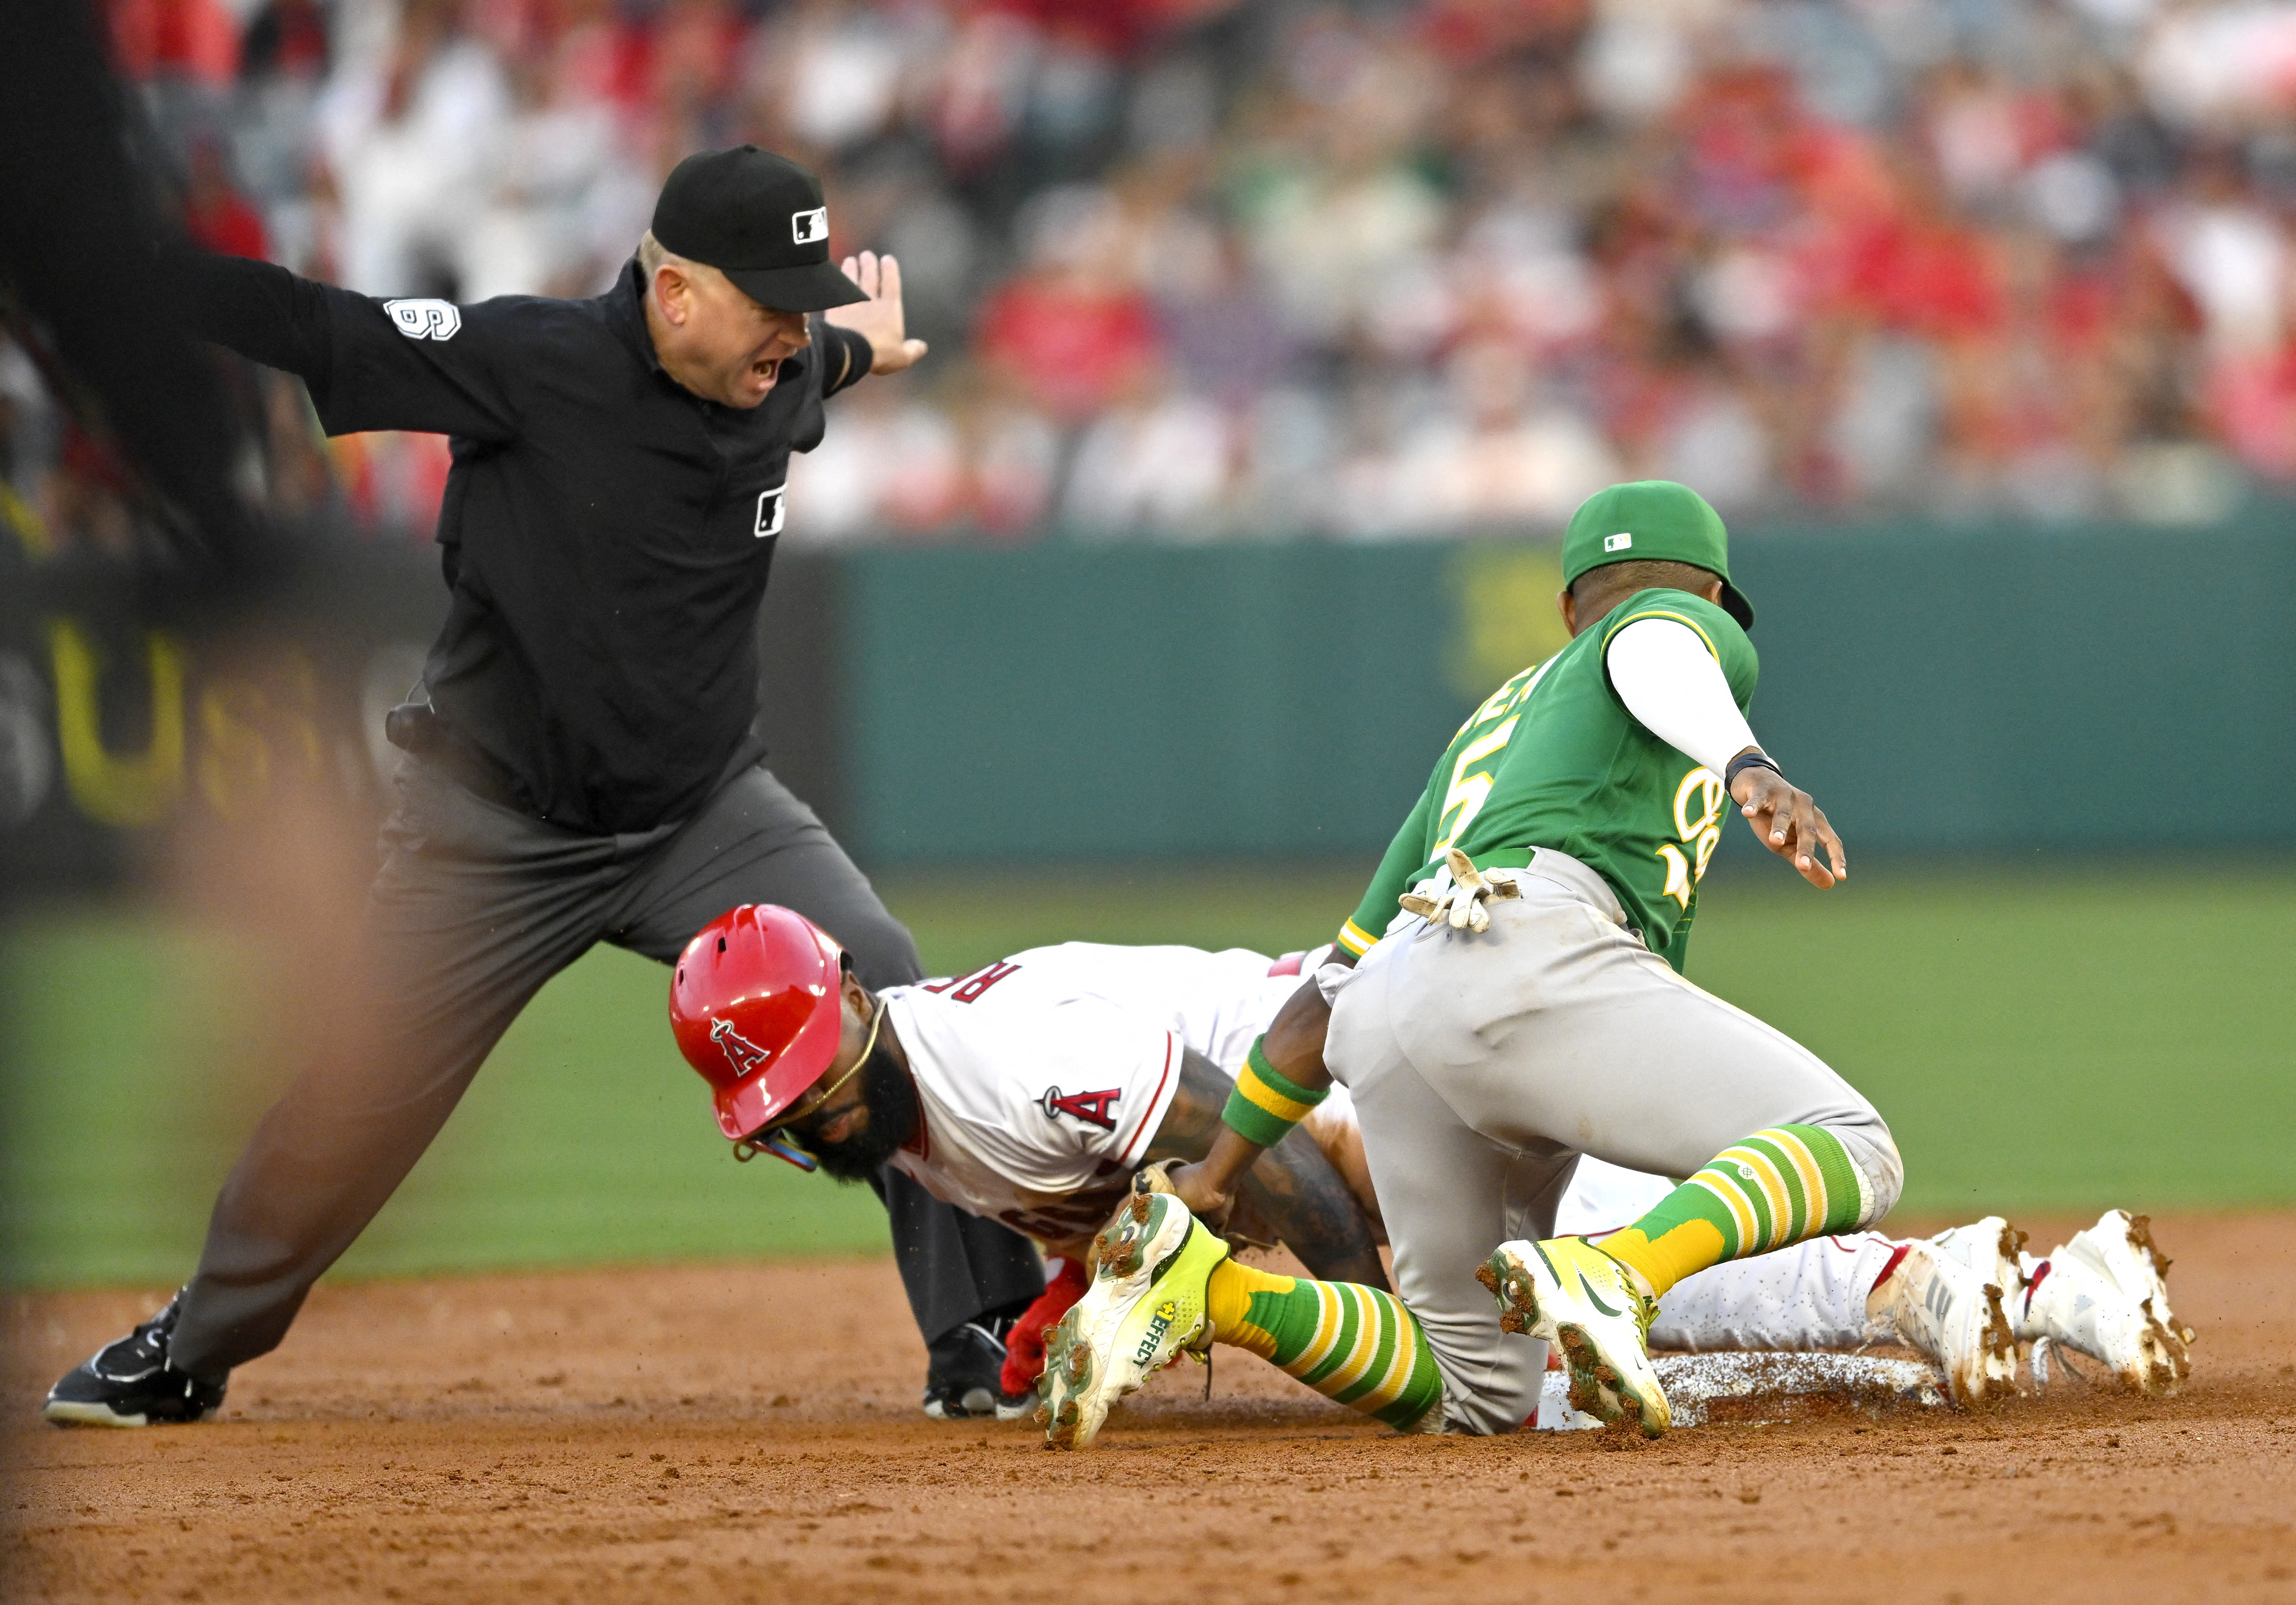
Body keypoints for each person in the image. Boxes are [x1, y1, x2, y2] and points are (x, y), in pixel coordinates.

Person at [42, 147, 1045, 1430]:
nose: (797, 333)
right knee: (358, 1096)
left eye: (808, 305)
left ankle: (980, 1329)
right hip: (494, 830)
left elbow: (820, 367)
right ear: (675, 293)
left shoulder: (780, 375)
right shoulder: (533, 361)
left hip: (703, 814)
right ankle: (193, 1343)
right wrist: (122, 274)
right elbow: (313, 322)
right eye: (772, 302)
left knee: (892, 998)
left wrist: (869, 352)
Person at [1042, 478, 1910, 1447]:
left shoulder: (1478, 740)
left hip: (1387, 1010)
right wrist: (1744, 760)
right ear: (1712, 596)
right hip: (1526, 959)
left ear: (1562, 605)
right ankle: (1618, 1270)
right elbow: (1650, 642)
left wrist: (1214, 1175)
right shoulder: (1674, 628)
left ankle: (1218, 1294)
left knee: (1480, 1398)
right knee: (1851, 1142)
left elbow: (1327, 990)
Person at [675, 916, 2193, 1418]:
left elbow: (1270, 1161)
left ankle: (2036, 1282)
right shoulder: (906, 1107)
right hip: (1354, 1066)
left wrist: (1425, 1344)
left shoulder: (1005, 1060)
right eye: (786, 1116)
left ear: (858, 1018)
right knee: (1576, 1313)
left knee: (1560, 1317)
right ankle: (1965, 1291)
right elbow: (1113, 1200)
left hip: (1367, 1064)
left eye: (816, 1091)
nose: (813, 1126)